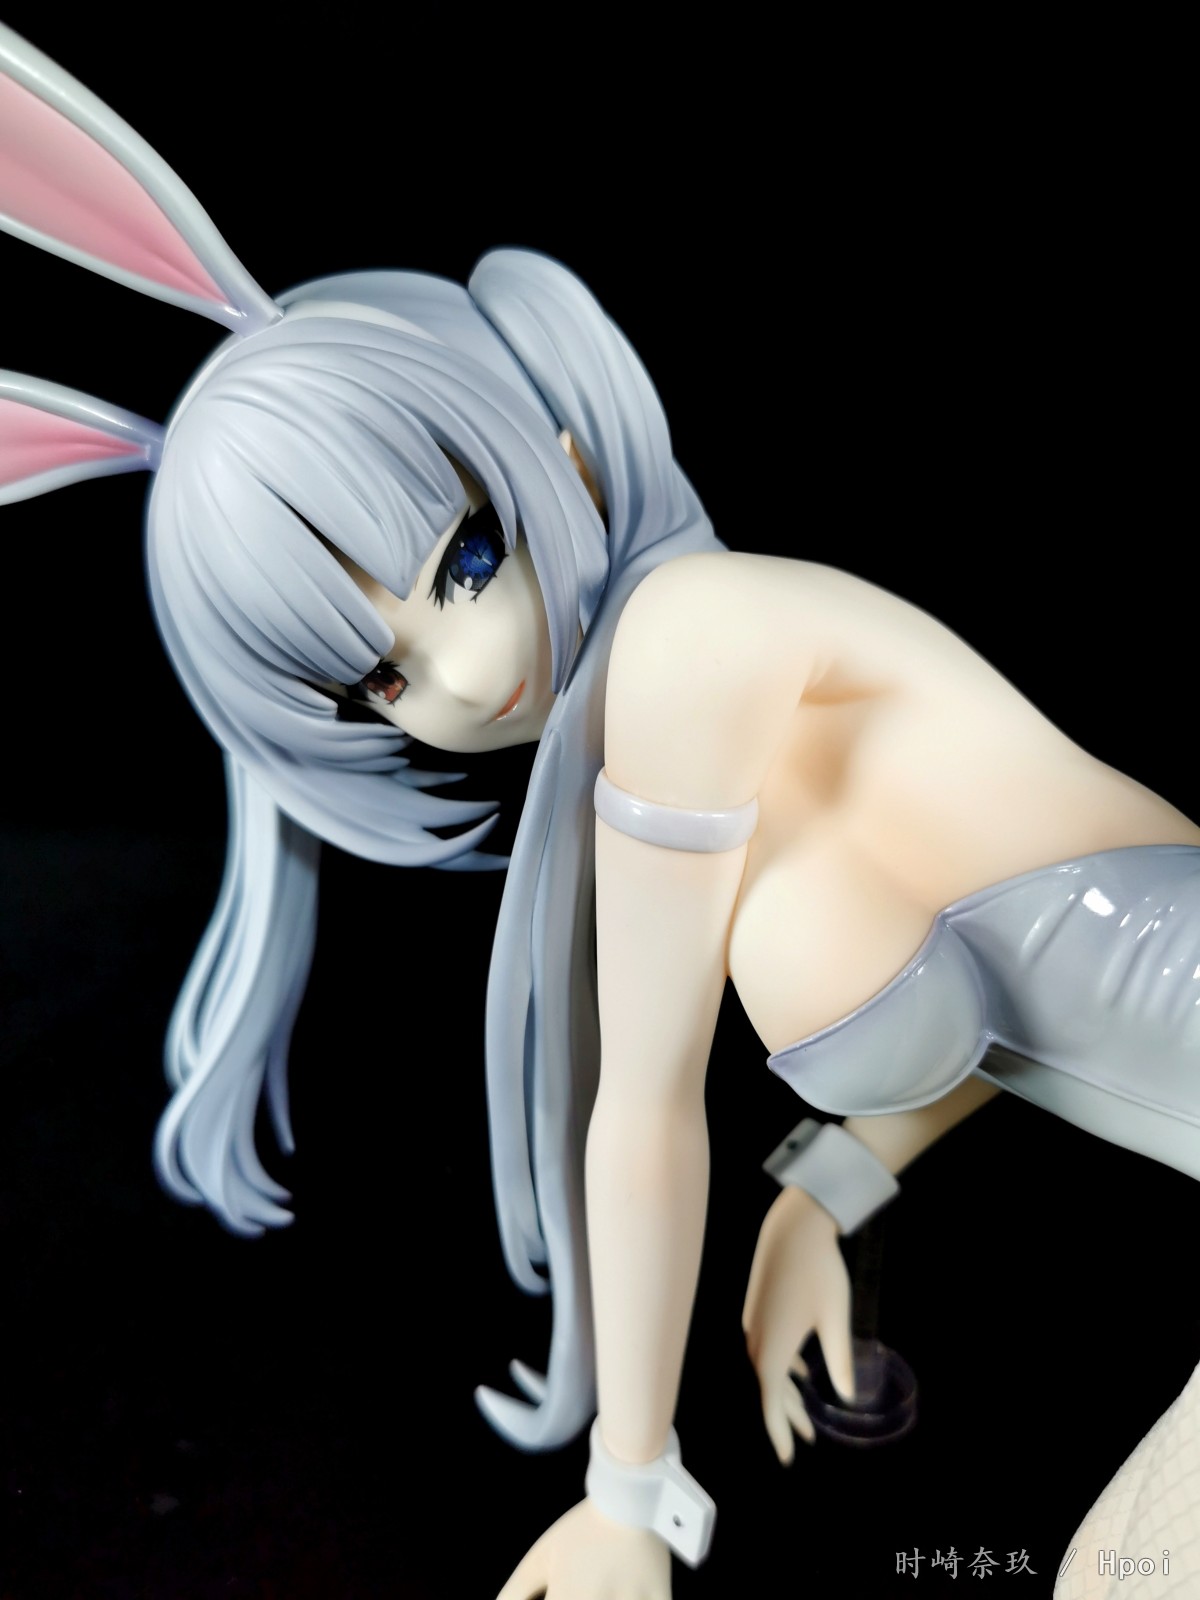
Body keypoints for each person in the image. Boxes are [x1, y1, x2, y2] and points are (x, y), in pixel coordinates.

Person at [3, 23, 1197, 1600]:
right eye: (380, 676)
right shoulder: (703, 739)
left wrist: (635, 1496)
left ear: (554, 456)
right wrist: (832, 1181)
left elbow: (647, 1104)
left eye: (465, 558)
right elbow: (1029, 962)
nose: (465, 669)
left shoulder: (692, 648)